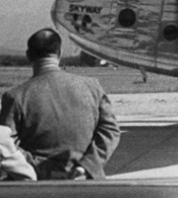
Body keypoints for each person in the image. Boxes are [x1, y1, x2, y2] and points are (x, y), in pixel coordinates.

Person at [1, 28, 120, 179]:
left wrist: (38, 167)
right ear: (60, 53)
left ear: (29, 55)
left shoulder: (15, 96)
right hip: (87, 185)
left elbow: (6, 145)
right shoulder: (92, 87)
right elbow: (110, 131)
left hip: (38, 189)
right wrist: (87, 166)